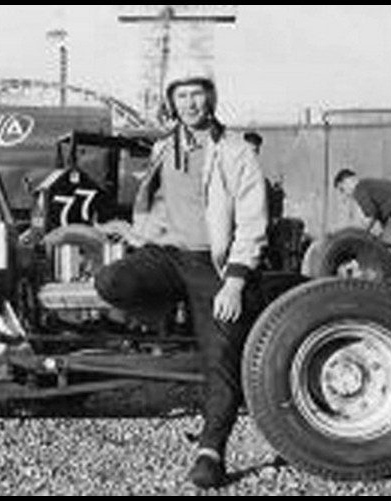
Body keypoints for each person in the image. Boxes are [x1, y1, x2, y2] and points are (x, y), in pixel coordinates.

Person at [93, 65, 267, 488]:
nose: (191, 103)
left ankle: (211, 450)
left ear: (212, 97)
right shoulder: (163, 148)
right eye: (183, 96)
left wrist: (236, 280)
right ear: (171, 102)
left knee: (222, 358)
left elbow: (252, 220)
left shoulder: (236, 150)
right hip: (169, 256)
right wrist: (136, 233)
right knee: (110, 281)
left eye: (198, 94)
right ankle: (173, 315)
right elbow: (157, 204)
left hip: (215, 265)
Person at [333, 168, 391, 251]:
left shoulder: (360, 189)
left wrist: (359, 236)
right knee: (383, 244)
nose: (345, 194)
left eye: (342, 189)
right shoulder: (368, 185)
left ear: (347, 181)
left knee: (383, 250)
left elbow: (371, 215)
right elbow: (379, 215)